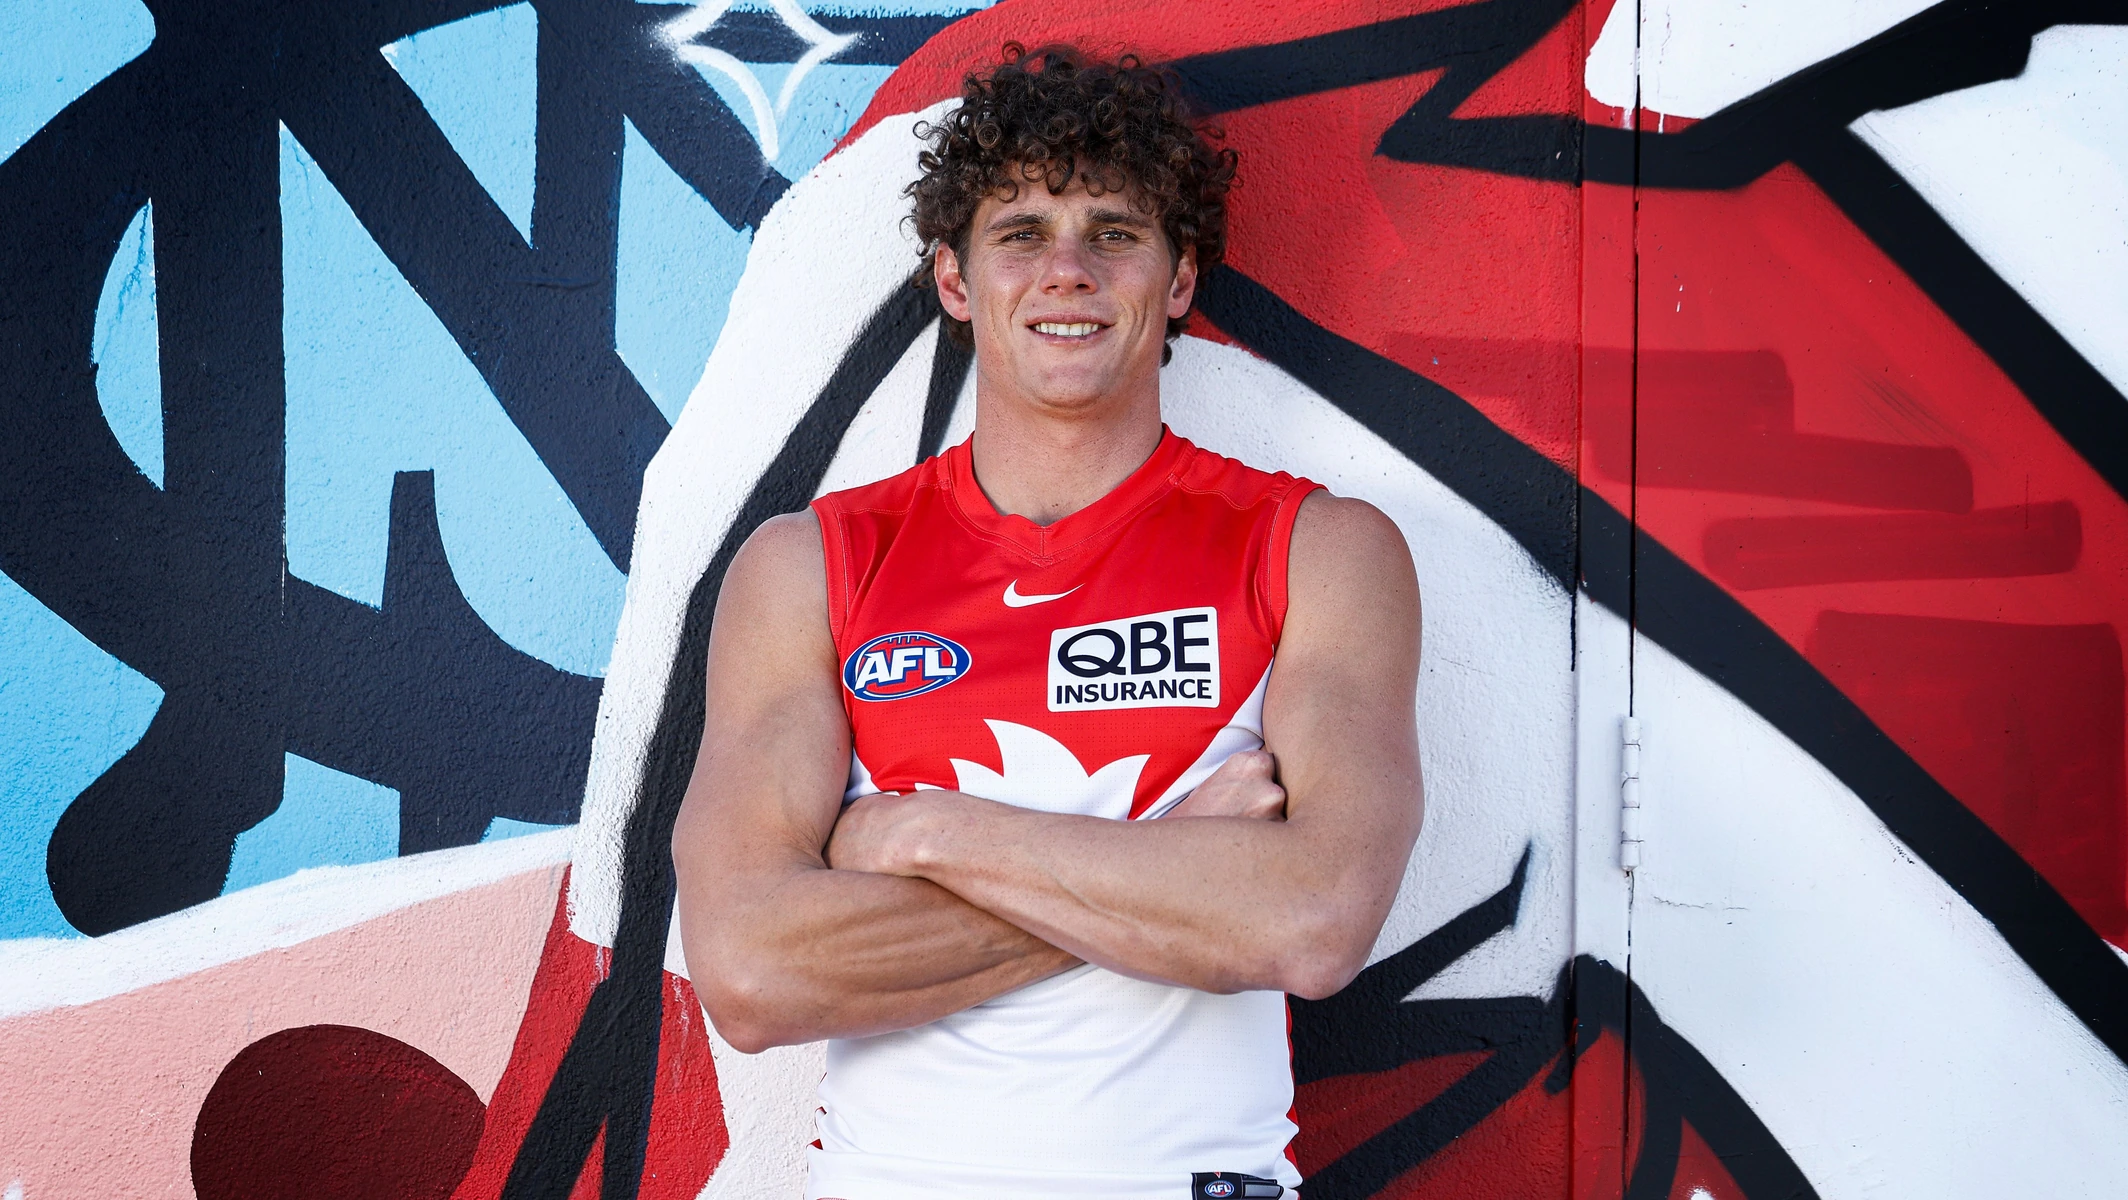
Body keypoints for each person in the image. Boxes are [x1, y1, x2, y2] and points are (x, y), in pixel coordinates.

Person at [670, 45, 1423, 1200]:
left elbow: (1315, 924)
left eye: (1115, 232)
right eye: (1020, 232)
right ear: (957, 280)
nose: (1066, 270)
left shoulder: (1319, 552)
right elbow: (751, 975)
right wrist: (1186, 871)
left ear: (1176, 280)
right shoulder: (807, 568)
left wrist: (929, 837)